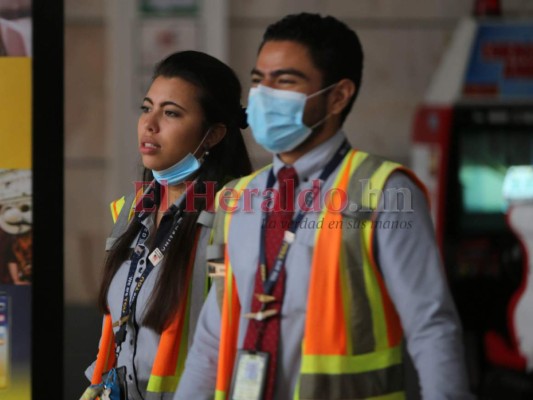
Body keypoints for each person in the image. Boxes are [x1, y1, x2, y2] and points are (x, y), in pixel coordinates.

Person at [176, 13, 474, 400]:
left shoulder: (382, 191)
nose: (263, 95)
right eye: (257, 80)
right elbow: (212, 336)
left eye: (284, 81)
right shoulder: (235, 200)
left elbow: (431, 326)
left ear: (337, 95)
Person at [81, 50, 252, 400]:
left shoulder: (234, 212)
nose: (150, 123)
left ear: (214, 134)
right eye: (147, 108)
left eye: (171, 113)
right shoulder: (130, 211)